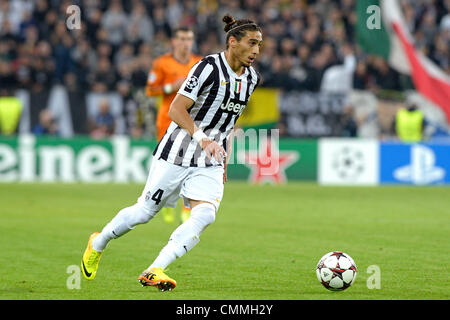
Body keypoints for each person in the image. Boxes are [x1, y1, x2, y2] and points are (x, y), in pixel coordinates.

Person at [81, 14, 262, 291]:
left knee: (206, 215)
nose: (256, 51)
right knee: (144, 212)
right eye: (251, 43)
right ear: (233, 41)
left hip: (210, 158)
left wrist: (223, 154)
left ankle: (156, 268)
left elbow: (228, 120)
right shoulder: (207, 67)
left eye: (259, 45)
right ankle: (99, 241)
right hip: (177, 151)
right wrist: (202, 138)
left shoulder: (251, 78)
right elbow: (175, 109)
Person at [145, 26, 202, 224]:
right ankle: (165, 203)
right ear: (174, 41)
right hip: (166, 122)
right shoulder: (162, 63)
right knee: (167, 167)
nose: (186, 43)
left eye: (189, 39)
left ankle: (187, 206)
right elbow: (150, 90)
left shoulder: (199, 63)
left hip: (190, 121)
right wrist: (171, 86)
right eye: (182, 39)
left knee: (191, 163)